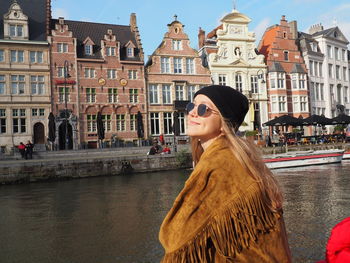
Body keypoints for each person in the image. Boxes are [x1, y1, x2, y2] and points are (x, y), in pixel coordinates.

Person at [159, 85, 291, 262]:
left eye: (203, 108)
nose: (192, 113)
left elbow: (174, 238)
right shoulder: (241, 157)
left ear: (224, 123)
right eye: (191, 106)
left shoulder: (219, 164)